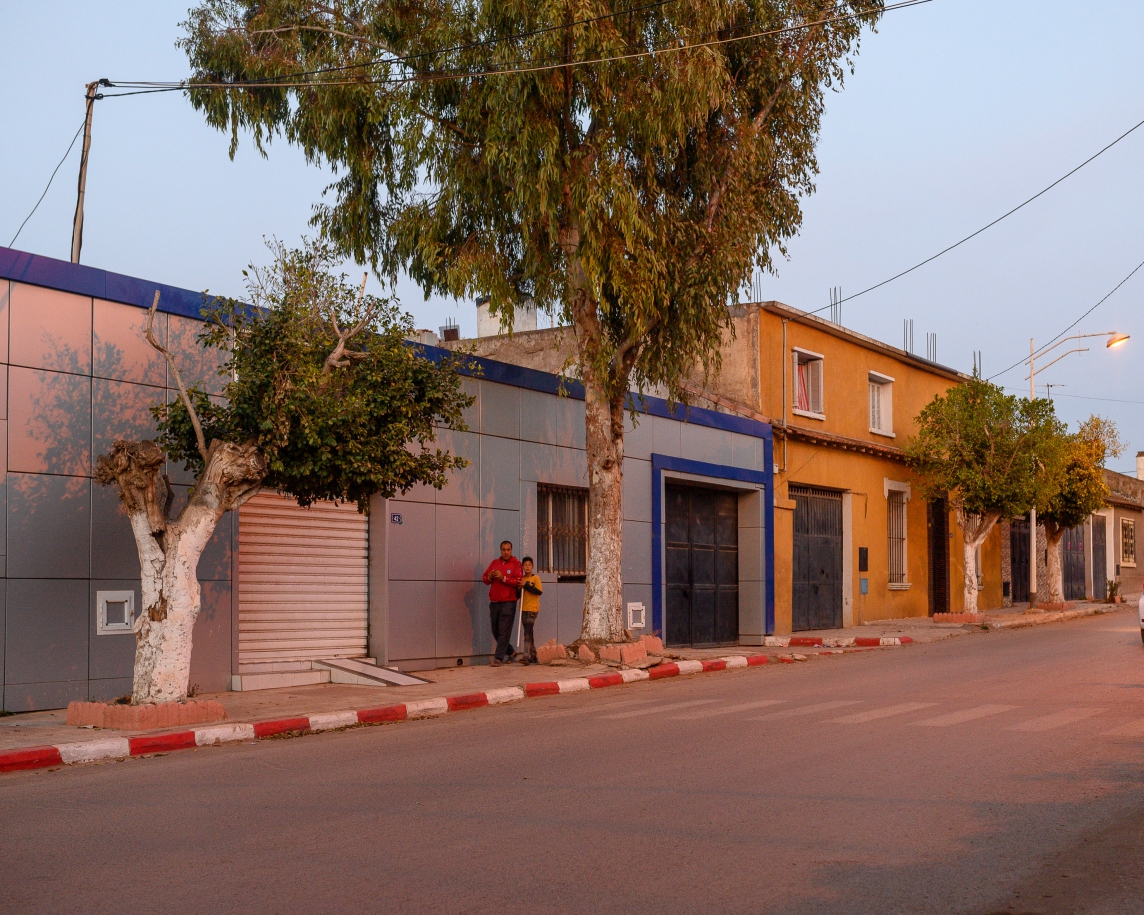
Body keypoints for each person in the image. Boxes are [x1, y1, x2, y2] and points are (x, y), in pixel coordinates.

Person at [482, 540, 522, 666]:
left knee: (503, 631)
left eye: (508, 550)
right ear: (500, 550)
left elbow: (518, 581)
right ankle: (511, 652)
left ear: (511, 550)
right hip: (495, 602)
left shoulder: (516, 564)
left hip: (508, 603)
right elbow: (485, 578)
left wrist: (503, 578)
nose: (506, 552)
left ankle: (498, 658)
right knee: (495, 631)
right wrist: (489, 577)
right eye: (504, 550)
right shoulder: (495, 563)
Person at [518, 557, 543, 665]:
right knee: (529, 632)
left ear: (532, 567)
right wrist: (519, 588)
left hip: (532, 609)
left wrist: (526, 585)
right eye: (525, 565)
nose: (527, 567)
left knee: (527, 632)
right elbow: (517, 595)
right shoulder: (521, 579)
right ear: (522, 567)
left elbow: (538, 591)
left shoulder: (536, 578)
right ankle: (533, 656)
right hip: (523, 608)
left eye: (529, 565)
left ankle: (526, 656)